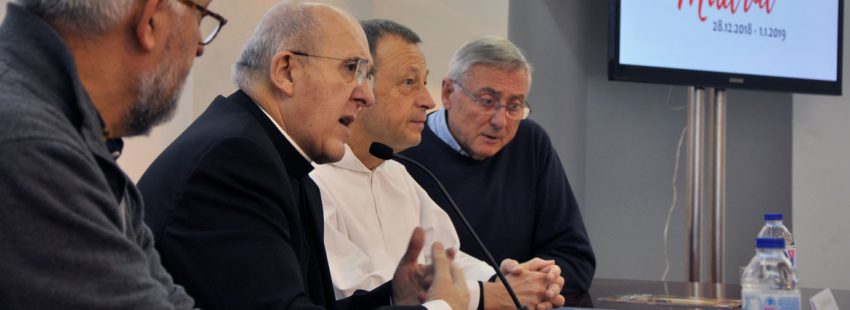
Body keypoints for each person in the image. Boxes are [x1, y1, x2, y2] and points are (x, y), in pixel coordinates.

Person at [138, 3, 468, 309]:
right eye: (351, 69)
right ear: (286, 71)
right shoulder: (235, 159)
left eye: (365, 75)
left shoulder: (278, 157)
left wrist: (396, 297)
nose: (366, 95)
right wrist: (439, 308)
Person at [310, 19, 565, 310]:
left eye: (423, 82)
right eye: (409, 82)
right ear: (360, 88)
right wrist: (489, 296)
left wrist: (506, 279)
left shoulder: (397, 172)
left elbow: (448, 259)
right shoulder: (314, 181)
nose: (427, 100)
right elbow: (358, 294)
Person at [0, 0, 224, 308]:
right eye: (201, 15)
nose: (200, 46)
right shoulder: (30, 146)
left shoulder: (79, 140)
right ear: (150, 19)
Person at [400, 37, 596, 294]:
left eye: (514, 106)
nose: (500, 121)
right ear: (448, 93)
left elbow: (575, 258)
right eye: (487, 101)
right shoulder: (405, 149)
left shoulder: (530, 143)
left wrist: (539, 283)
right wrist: (501, 291)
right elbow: (405, 272)